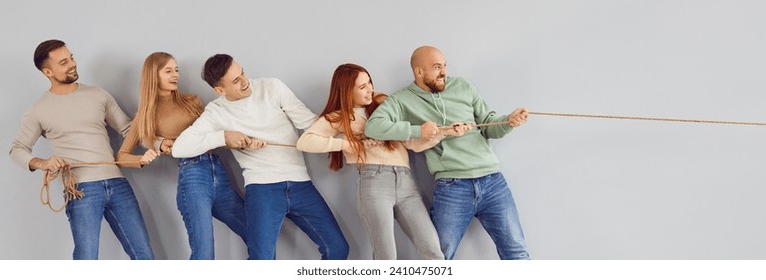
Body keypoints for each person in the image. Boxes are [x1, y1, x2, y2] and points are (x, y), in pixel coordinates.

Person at [171, 54, 348, 260]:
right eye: (236, 81)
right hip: (262, 189)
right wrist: (224, 137)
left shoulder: (272, 87)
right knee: (262, 261)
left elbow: (309, 124)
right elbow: (179, 148)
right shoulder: (216, 112)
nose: (245, 81)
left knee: (338, 248)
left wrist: (350, 134)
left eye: (242, 72)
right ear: (220, 90)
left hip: (300, 183)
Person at [364, 45, 531, 260]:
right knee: (439, 258)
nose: (443, 72)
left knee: (517, 252)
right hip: (452, 188)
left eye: (444, 66)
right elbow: (373, 126)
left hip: (493, 183)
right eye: (436, 67)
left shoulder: (463, 86)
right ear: (419, 72)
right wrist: (419, 131)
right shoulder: (401, 100)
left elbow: (490, 125)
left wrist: (509, 122)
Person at [9, 39, 154, 260]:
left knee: (144, 256)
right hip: (81, 190)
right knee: (87, 259)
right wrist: (44, 163)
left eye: (72, 57)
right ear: (47, 71)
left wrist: (160, 143)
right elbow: (17, 149)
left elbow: (128, 129)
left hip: (117, 184)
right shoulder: (39, 109)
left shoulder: (99, 95)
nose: (72, 64)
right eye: (64, 62)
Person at [296, 63, 443, 260]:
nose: (370, 89)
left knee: (433, 250)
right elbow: (305, 141)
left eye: (370, 83)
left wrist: (440, 134)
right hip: (374, 184)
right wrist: (345, 144)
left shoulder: (383, 104)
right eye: (362, 87)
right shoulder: (340, 117)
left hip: (406, 183)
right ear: (347, 91)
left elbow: (412, 144)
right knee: (386, 257)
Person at [115, 52, 246, 259]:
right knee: (204, 254)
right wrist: (142, 158)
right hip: (192, 177)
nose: (175, 75)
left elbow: (212, 132)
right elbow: (121, 156)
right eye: (168, 71)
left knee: (258, 236)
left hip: (218, 172)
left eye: (176, 70)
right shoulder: (145, 116)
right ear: (153, 76)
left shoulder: (192, 100)